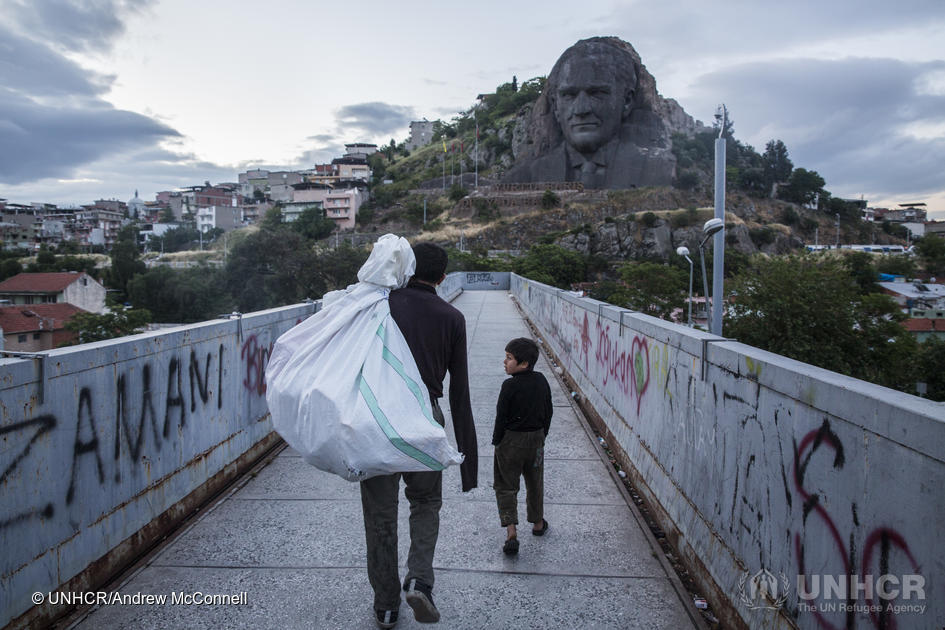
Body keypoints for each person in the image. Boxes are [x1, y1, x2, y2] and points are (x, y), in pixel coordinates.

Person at [360, 242, 478, 628]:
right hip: (425, 417)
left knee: (380, 513)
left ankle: (386, 605)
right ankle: (419, 581)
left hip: (378, 418)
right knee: (425, 503)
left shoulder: (383, 304)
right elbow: (459, 392)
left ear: (407, 270)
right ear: (443, 278)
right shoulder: (452, 317)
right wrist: (468, 462)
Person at [504, 37, 676, 189]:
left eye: (597, 93)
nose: (581, 110)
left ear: (627, 101)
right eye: (569, 95)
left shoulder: (656, 167)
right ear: (555, 107)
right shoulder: (529, 174)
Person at [491, 337, 553, 556]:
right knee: (535, 481)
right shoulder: (542, 380)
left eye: (509, 358)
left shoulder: (509, 386)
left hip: (511, 442)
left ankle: (511, 532)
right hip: (536, 439)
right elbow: (548, 411)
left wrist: (497, 441)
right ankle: (537, 523)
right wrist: (542, 435)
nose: (504, 362)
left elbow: (501, 417)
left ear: (524, 363)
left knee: (506, 485)